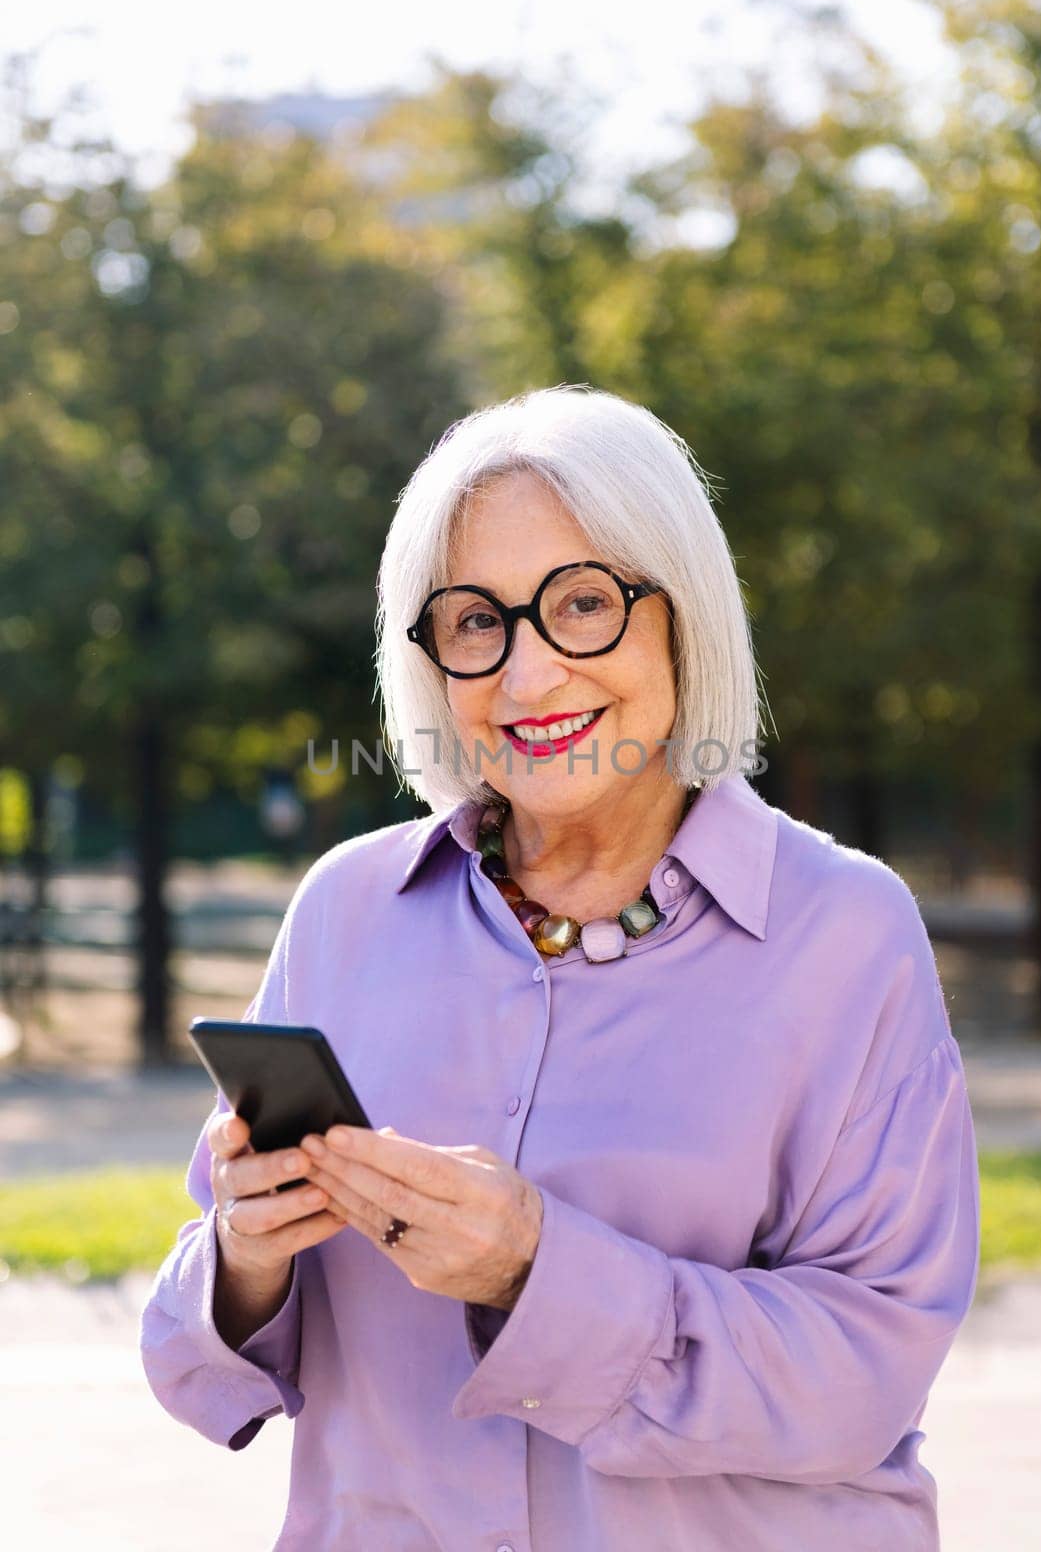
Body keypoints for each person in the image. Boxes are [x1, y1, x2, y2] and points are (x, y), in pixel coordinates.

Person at [140, 385, 980, 1551]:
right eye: (475, 620)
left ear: (680, 614)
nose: (527, 678)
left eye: (582, 601)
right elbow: (189, 1349)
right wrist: (243, 1256)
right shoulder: (345, 908)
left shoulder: (845, 931)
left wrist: (537, 1271)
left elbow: (867, 1369)